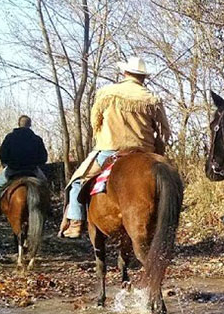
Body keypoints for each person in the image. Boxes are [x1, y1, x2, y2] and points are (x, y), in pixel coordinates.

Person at [60, 56, 172, 238]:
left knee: (77, 181)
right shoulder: (152, 99)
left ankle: (76, 221)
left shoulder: (107, 93)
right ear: (143, 77)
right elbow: (163, 131)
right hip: (145, 151)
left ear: (124, 73)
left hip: (110, 149)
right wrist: (158, 151)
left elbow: (95, 121)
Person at [0, 115, 49, 216]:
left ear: (18, 124)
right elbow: (43, 157)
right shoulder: (37, 139)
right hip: (32, 170)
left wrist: (6, 163)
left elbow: (2, 153)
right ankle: (48, 208)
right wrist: (36, 163)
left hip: (13, 169)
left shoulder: (10, 137)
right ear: (30, 125)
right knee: (44, 184)